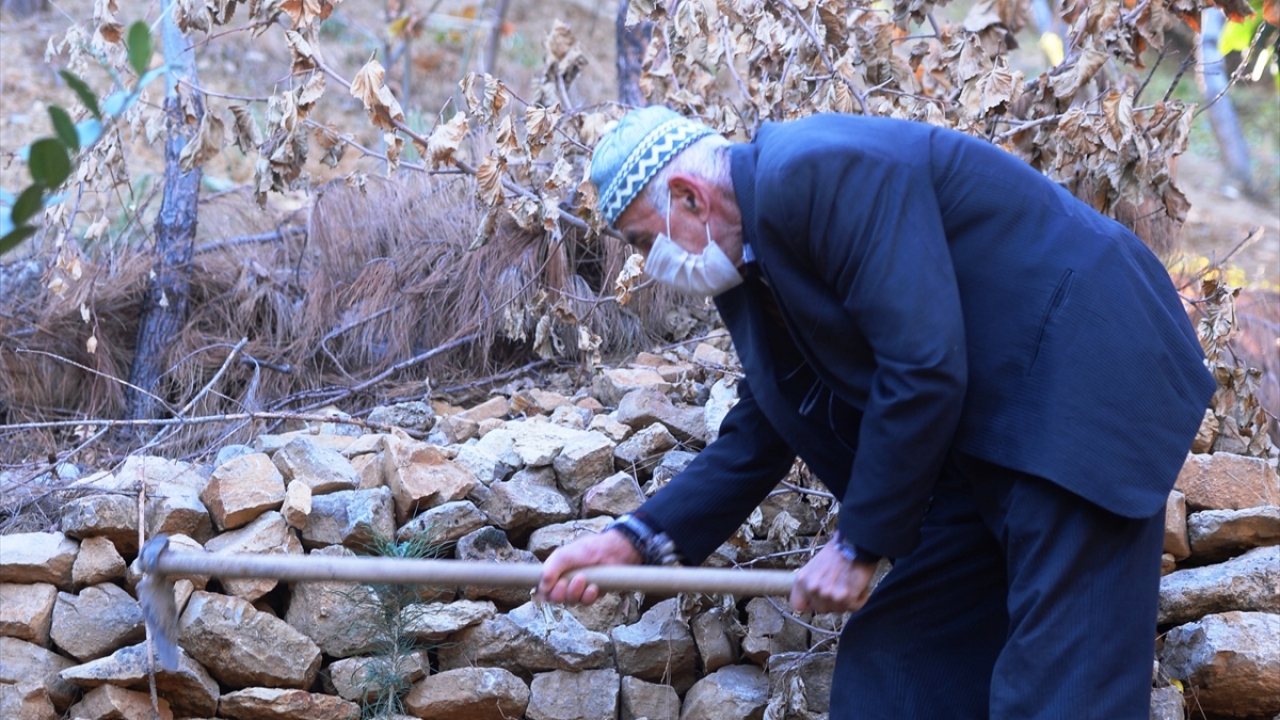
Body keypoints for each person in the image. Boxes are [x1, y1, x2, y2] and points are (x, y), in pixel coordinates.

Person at [537, 106, 1216, 719]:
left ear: (689, 197)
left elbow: (921, 362)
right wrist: (635, 539)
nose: (647, 263)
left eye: (641, 239)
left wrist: (858, 543)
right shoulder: (747, 262)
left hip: (1082, 382)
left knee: (1064, 690)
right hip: (984, 439)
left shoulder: (822, 168)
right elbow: (763, 426)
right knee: (899, 667)